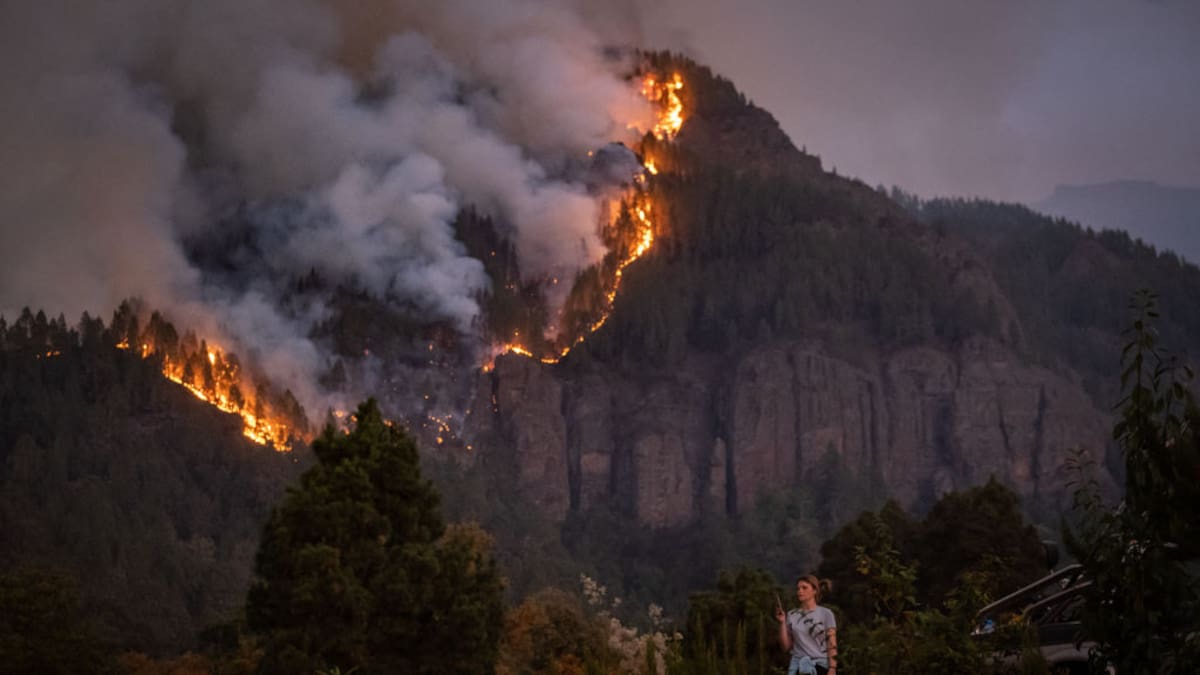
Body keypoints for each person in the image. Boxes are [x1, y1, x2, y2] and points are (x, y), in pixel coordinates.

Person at [775, 574, 838, 675]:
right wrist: (782, 622)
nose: (800, 591)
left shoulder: (826, 614)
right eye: (798, 588)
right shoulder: (792, 615)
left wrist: (832, 667)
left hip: (820, 666)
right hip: (798, 666)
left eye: (804, 588)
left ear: (814, 591)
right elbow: (786, 647)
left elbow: (832, 643)